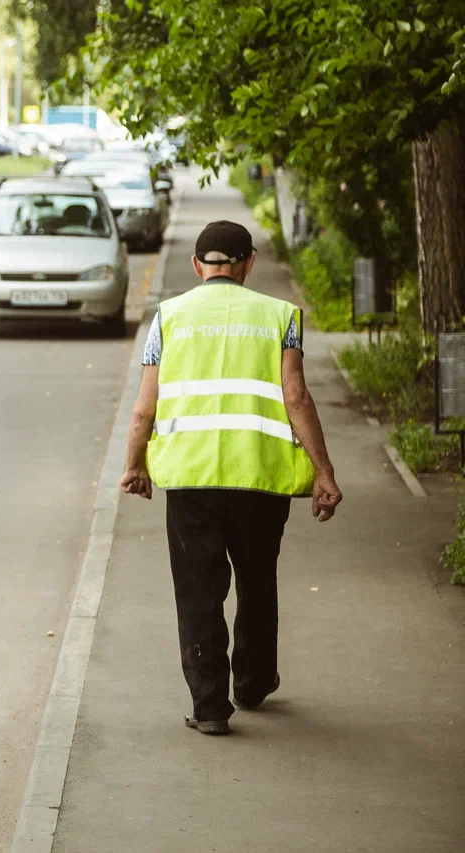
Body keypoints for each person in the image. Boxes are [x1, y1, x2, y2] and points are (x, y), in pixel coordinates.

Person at [119, 220, 343, 735]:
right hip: (260, 479)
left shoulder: (169, 317)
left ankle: (210, 708)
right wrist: (324, 472)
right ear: (248, 264)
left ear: (198, 266)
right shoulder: (281, 316)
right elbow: (296, 398)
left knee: (198, 590)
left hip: (192, 481)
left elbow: (143, 409)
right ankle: (253, 683)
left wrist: (134, 466)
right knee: (258, 582)